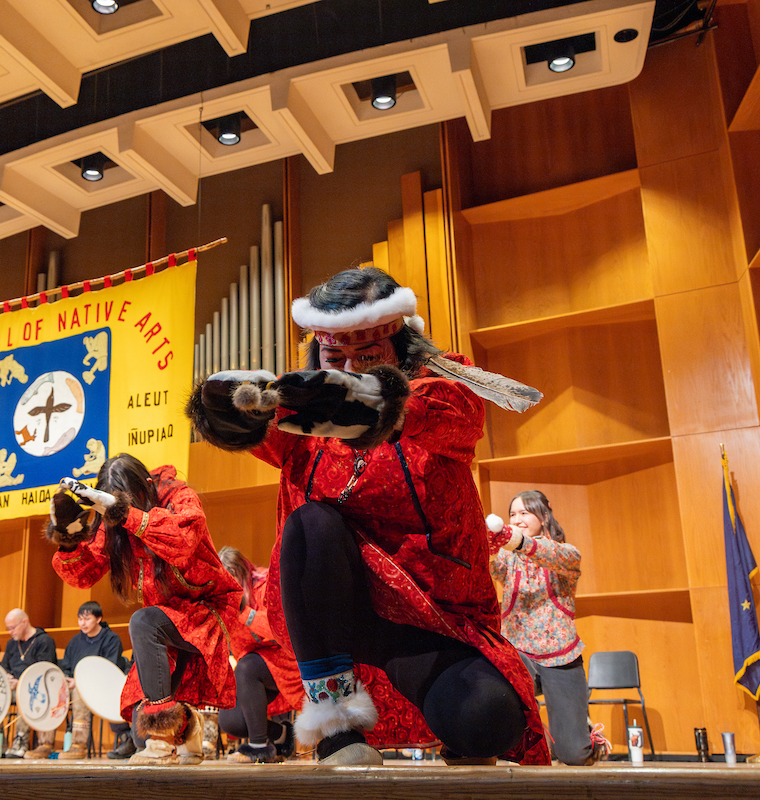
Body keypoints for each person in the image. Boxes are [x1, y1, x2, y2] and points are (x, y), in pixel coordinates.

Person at [187, 267, 549, 766]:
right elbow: (243, 420)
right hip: (335, 619)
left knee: (489, 721)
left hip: (427, 620)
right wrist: (226, 402)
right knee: (311, 523)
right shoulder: (303, 413)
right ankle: (335, 726)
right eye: (336, 358)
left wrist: (374, 402)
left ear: (399, 348)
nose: (350, 368)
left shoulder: (440, 389)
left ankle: (449, 723)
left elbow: (458, 415)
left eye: (369, 357)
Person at [47, 454, 241, 765]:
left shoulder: (178, 495)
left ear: (146, 485)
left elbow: (184, 541)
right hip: (165, 623)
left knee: (142, 622)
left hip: (206, 610)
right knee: (138, 734)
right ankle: (188, 729)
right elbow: (83, 576)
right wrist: (68, 536)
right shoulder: (110, 523)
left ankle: (162, 741)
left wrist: (125, 513)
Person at [488, 491, 609, 765]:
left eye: (524, 513)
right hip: (519, 653)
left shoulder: (566, 554)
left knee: (572, 754)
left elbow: (551, 554)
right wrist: (489, 545)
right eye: (512, 514)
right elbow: (490, 565)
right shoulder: (509, 558)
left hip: (560, 656)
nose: (517, 519)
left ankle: (584, 737)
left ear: (543, 516)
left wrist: (518, 541)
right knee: (491, 679)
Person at [217, 546, 302, 763]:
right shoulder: (223, 601)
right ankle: (282, 734)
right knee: (230, 722)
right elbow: (237, 648)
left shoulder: (267, 584)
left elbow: (281, 630)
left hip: (288, 660)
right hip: (255, 667)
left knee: (246, 666)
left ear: (241, 572)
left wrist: (244, 613)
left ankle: (259, 747)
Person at [0, 608, 56, 759]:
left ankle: (21, 741)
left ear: (24, 622)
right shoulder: (12, 644)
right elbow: (5, 667)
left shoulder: (44, 641)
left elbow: (43, 671)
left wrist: (20, 682)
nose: (10, 632)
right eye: (8, 628)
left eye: (12, 628)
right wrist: (7, 677)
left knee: (23, 693)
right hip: (13, 686)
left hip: (35, 688)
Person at [54, 601, 129, 760]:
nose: (83, 623)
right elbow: (66, 666)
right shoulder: (75, 641)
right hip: (74, 684)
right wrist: (67, 678)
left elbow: (110, 669)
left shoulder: (111, 639)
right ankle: (45, 744)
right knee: (51, 690)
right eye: (80, 619)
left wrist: (81, 682)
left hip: (102, 686)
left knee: (79, 693)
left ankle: (78, 745)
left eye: (87, 619)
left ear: (98, 619)